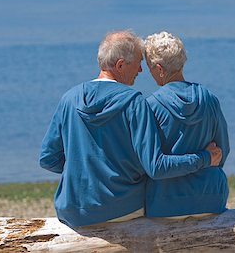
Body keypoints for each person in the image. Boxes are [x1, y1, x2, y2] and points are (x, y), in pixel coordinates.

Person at [39, 30, 223, 228]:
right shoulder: (135, 103)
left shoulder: (69, 99)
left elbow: (48, 159)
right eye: (137, 62)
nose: (141, 70)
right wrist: (204, 158)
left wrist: (80, 172)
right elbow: (155, 166)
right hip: (123, 208)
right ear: (120, 65)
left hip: (73, 210)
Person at [144, 31, 230, 218]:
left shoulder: (151, 106)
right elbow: (221, 153)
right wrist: (204, 158)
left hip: (166, 202)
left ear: (159, 68)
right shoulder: (209, 99)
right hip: (212, 198)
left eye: (149, 67)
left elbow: (155, 167)